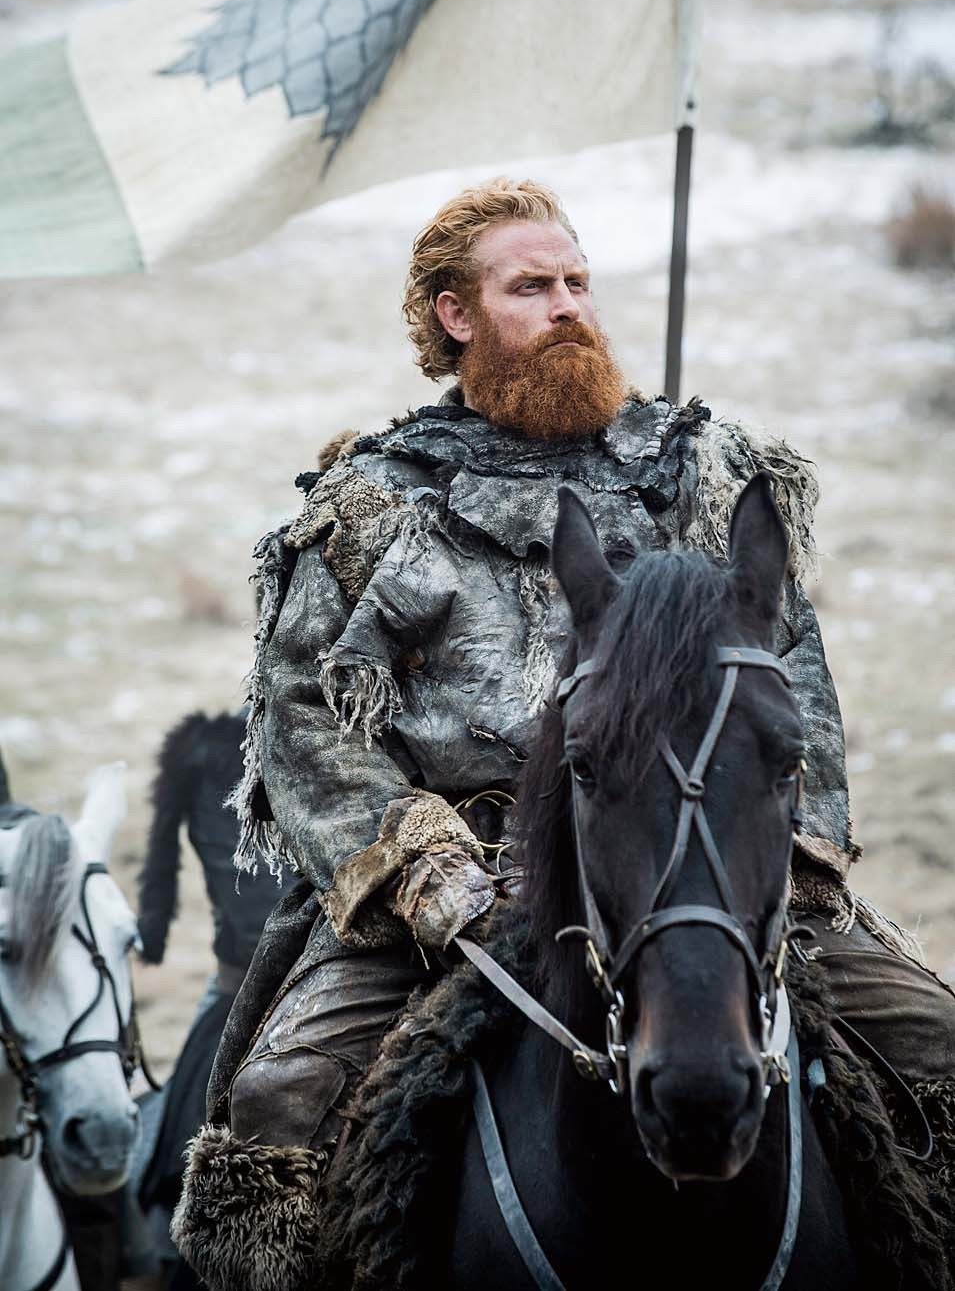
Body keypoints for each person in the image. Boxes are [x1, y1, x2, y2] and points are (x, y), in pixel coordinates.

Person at [173, 178, 955, 1288]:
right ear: (455, 314)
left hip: (698, 853)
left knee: (934, 1049)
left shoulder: (700, 473)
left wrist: (793, 851)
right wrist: (425, 873)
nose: (567, 307)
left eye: (577, 283)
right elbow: (305, 721)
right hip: (451, 882)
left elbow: (793, 683)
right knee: (276, 1112)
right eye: (531, 287)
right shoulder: (372, 504)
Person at [135, 708, 285, 1287]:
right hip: (249, 985)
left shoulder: (200, 756)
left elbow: (162, 859)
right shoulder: (224, 757)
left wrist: (153, 928)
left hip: (242, 982)